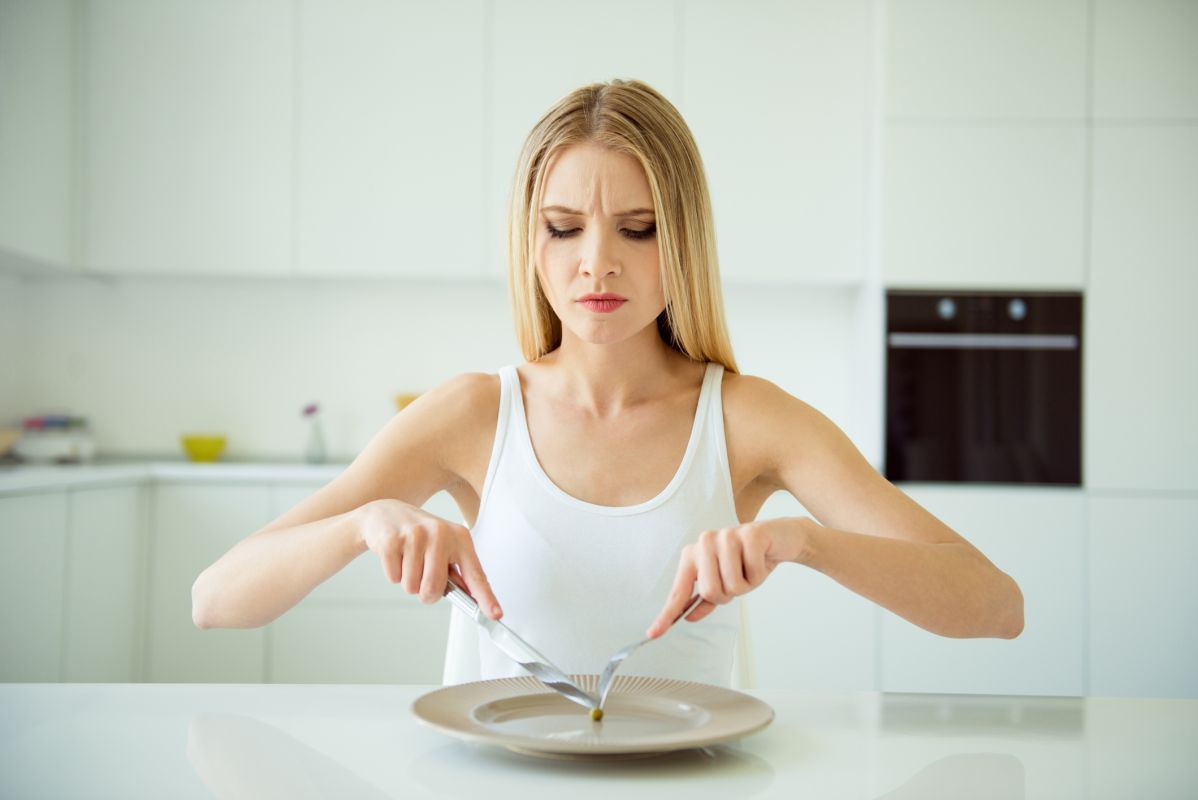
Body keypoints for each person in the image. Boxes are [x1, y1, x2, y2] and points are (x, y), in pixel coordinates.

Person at [191, 79, 1023, 688]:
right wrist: (363, 524)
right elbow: (215, 598)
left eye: (638, 228)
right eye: (562, 228)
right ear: (531, 240)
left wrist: (802, 541)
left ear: (684, 238)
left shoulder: (747, 421)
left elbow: (995, 605)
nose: (597, 263)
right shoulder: (474, 414)